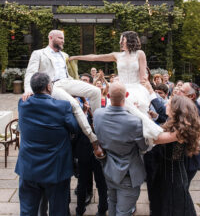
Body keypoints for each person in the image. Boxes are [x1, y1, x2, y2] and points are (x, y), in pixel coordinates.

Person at [22, 30, 104, 158]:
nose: (63, 41)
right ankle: (94, 140)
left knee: (96, 91)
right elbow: (30, 73)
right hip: (51, 85)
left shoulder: (65, 55)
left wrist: (78, 87)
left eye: (63, 38)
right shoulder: (38, 53)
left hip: (67, 81)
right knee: (74, 105)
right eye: (60, 38)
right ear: (51, 37)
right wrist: (28, 89)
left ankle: (98, 127)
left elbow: (67, 74)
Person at [69, 30, 163, 141]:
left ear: (129, 40)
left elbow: (143, 77)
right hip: (121, 89)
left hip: (137, 89)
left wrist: (148, 90)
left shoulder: (140, 54)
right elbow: (95, 57)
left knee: (137, 119)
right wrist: (76, 57)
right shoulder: (116, 55)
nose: (120, 42)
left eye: (122, 39)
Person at [15, 72, 79, 216]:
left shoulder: (23, 103)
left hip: (29, 168)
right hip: (56, 169)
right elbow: (74, 128)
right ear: (49, 87)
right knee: (58, 211)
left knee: (27, 211)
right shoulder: (63, 106)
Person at [93, 82, 148, 216]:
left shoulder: (97, 114)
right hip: (127, 174)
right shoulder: (134, 121)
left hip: (108, 168)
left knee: (112, 202)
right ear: (127, 95)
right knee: (123, 212)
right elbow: (144, 147)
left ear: (108, 95)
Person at [151, 95, 200, 216]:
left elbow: (155, 139)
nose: (166, 105)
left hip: (174, 177)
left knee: (175, 208)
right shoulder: (172, 123)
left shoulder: (179, 131)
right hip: (166, 172)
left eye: (168, 103)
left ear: (176, 109)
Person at [75, 73, 108, 216]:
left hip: (99, 145)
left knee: (101, 182)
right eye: (81, 81)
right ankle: (79, 210)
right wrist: (83, 111)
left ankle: (102, 210)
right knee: (82, 181)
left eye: (86, 81)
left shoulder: (103, 100)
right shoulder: (78, 100)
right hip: (84, 145)